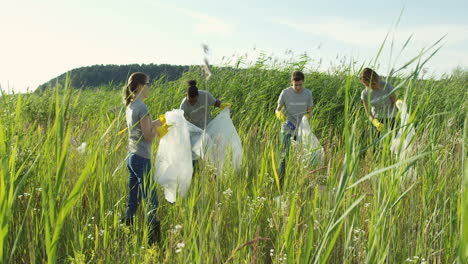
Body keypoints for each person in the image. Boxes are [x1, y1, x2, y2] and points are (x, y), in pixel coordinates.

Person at [122, 72, 169, 245]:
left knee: (133, 200)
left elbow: (145, 128)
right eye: (149, 83)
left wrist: (162, 120)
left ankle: (126, 232)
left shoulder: (131, 105)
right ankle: (153, 243)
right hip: (142, 158)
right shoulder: (142, 107)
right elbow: (148, 136)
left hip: (131, 157)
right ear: (141, 86)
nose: (150, 87)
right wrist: (163, 131)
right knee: (151, 200)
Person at [180, 80, 231, 167]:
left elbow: (215, 102)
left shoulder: (205, 95)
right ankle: (194, 170)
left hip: (208, 126)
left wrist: (223, 106)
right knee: (194, 151)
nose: (192, 103)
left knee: (211, 148)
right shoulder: (183, 106)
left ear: (198, 96)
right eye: (190, 101)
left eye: (195, 101)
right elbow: (182, 121)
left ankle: (214, 169)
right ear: (186, 95)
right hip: (195, 129)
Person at [275, 71, 313, 183]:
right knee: (284, 156)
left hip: (301, 130)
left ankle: (299, 181)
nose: (298, 87)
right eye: (295, 85)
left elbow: (310, 111)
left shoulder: (308, 94)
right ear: (291, 82)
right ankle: (280, 181)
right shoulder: (285, 93)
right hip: (287, 129)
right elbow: (277, 109)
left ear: (303, 82)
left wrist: (307, 116)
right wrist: (279, 115)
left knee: (302, 156)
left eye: (300, 85)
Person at [360, 68, 398, 133]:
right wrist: (375, 123)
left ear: (375, 79)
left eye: (371, 84)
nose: (369, 87)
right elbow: (368, 113)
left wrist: (400, 117)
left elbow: (396, 103)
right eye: (366, 85)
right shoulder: (365, 94)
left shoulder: (387, 86)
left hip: (391, 118)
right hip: (377, 119)